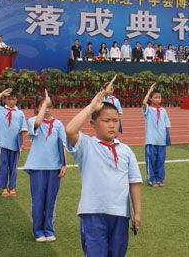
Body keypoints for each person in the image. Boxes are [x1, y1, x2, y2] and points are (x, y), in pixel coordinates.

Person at [65, 91, 142, 257]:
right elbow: (70, 130)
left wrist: (137, 212)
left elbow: (134, 182)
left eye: (115, 121)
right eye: (106, 121)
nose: (112, 125)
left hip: (120, 214)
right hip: (93, 211)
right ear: (92, 122)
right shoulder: (87, 145)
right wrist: (92, 107)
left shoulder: (126, 150)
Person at [23, 89, 67, 243]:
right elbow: (37, 123)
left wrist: (64, 164)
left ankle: (49, 229)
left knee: (50, 201)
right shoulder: (32, 120)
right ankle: (38, 232)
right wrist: (42, 108)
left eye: (49, 106)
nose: (47, 110)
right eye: (43, 106)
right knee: (38, 201)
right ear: (36, 108)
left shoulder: (58, 124)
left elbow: (62, 144)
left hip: (54, 168)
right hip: (37, 168)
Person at [0, 88, 28, 197]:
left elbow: (23, 130)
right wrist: (2, 93)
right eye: (9, 99)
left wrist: (23, 144)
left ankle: (12, 188)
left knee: (13, 167)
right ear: (5, 100)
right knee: (4, 166)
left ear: (16, 100)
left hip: (15, 145)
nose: (11, 101)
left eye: (13, 99)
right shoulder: (0, 110)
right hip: (3, 144)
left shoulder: (20, 113)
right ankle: (3, 188)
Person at [142, 83, 171, 187]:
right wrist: (150, 90)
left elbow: (167, 125)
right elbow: (144, 102)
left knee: (160, 161)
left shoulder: (163, 110)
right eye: (155, 97)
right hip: (151, 141)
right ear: (151, 98)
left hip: (161, 141)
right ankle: (151, 180)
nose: (158, 99)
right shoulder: (148, 110)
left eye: (159, 97)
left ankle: (159, 179)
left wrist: (167, 139)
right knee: (151, 161)